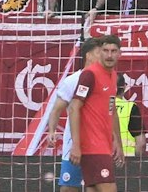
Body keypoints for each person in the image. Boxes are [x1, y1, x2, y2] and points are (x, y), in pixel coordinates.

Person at [65, 28, 123, 192]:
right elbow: (74, 108)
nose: (109, 55)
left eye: (113, 51)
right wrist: (76, 145)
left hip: (104, 146)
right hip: (92, 147)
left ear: (119, 53)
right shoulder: (89, 75)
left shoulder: (113, 76)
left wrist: (117, 141)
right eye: (105, 51)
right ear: (100, 53)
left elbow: (111, 110)